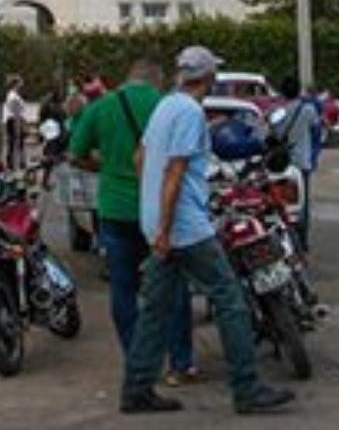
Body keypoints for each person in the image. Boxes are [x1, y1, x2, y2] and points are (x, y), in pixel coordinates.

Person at [119, 47, 295, 416]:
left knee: (154, 308)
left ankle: (136, 389)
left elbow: (140, 157)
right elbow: (175, 171)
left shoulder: (165, 106)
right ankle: (246, 388)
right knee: (230, 301)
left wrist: (152, 212)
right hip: (185, 228)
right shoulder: (189, 112)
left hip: (157, 221)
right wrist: (168, 227)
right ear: (208, 76)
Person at [68, 58, 200, 391]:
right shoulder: (167, 105)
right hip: (159, 211)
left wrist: (103, 166)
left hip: (115, 210)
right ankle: (180, 363)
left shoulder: (101, 107)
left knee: (123, 287)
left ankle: (137, 359)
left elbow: (76, 153)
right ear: (157, 81)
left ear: (126, 79)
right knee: (172, 286)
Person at [273, 76, 321, 251]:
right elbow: (316, 129)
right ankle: (301, 240)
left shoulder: (278, 110)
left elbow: (273, 133)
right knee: (301, 204)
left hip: (280, 162)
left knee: (279, 201)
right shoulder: (308, 109)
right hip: (302, 161)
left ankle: (285, 238)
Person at [2, 76, 29, 169]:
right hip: (15, 120)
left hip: (15, 120)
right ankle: (15, 163)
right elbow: (16, 111)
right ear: (16, 84)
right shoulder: (13, 96)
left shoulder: (13, 95)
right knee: (15, 142)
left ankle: (19, 162)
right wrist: (20, 123)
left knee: (16, 142)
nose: (22, 84)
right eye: (20, 83)